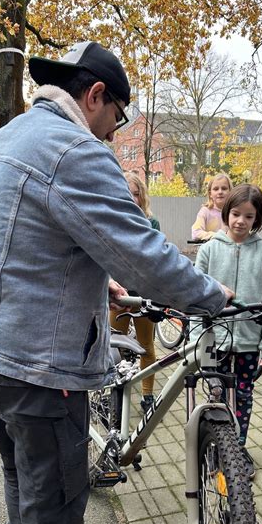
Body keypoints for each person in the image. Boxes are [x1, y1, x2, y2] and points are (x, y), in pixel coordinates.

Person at [0, 41, 233, 524]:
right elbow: (143, 255)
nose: (113, 132)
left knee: (20, 467)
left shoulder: (5, 140)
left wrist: (93, 284)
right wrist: (213, 296)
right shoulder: (74, 149)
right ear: (95, 94)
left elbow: (16, 243)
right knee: (55, 494)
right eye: (118, 116)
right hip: (36, 367)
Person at [193, 183, 262, 479]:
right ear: (226, 213)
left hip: (249, 342)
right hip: (214, 338)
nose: (241, 221)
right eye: (235, 214)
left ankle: (238, 446)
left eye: (249, 216)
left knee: (243, 394)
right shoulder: (209, 250)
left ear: (258, 219)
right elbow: (195, 298)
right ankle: (216, 445)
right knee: (216, 393)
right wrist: (196, 339)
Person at [110, 172, 160, 413]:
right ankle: (114, 390)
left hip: (143, 296)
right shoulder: (110, 220)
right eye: (126, 193)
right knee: (114, 345)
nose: (131, 198)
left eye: (136, 194)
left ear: (142, 197)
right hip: (117, 297)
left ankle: (148, 395)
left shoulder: (151, 223)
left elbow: (155, 258)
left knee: (146, 346)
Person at [191, 173, 232, 241]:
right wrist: (216, 236)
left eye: (224, 188)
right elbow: (195, 233)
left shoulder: (234, 213)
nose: (220, 192)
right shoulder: (205, 211)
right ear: (210, 194)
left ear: (230, 192)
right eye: (216, 189)